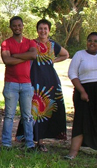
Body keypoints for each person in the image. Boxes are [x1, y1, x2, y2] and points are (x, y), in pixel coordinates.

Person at [65, 32, 97, 160]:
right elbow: (72, 74)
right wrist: (82, 91)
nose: (92, 43)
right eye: (90, 40)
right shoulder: (79, 55)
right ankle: (73, 153)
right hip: (84, 91)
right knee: (81, 121)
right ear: (86, 42)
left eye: (95, 41)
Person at [28, 19, 69, 151]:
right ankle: (34, 140)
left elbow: (66, 54)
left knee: (50, 109)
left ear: (49, 30)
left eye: (45, 28)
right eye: (40, 28)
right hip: (36, 80)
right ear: (37, 30)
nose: (43, 31)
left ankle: (43, 140)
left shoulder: (53, 45)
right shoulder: (32, 43)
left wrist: (52, 60)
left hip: (51, 81)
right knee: (36, 110)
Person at [0, 16, 37, 151]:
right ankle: (6, 143)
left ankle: (30, 144)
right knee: (9, 115)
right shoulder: (6, 43)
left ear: (23, 26)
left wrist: (15, 55)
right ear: (11, 27)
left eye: (19, 25)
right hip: (11, 83)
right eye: (14, 26)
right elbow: (7, 61)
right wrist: (24, 56)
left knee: (27, 116)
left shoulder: (30, 42)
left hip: (27, 84)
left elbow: (33, 55)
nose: (17, 28)